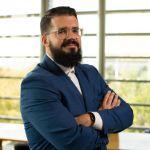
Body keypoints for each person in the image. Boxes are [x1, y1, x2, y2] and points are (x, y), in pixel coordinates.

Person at [20, 6, 133, 150]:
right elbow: (74, 144)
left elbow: (127, 114)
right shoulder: (35, 84)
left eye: (75, 30)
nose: (72, 36)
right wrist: (105, 127)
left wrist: (91, 118)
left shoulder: (90, 73)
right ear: (45, 40)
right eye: (62, 31)